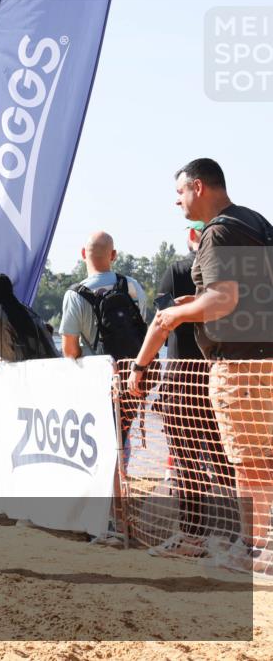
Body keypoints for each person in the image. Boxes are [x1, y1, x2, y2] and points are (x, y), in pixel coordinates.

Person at [130, 158, 273, 573]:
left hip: (242, 364)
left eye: (179, 193)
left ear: (197, 187)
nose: (177, 201)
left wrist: (174, 316)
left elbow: (223, 299)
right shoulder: (255, 222)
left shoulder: (219, 230)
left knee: (250, 461)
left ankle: (252, 550)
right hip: (264, 357)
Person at [128, 222, 238, 558]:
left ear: (192, 237)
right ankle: (247, 537)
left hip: (184, 381)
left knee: (189, 466)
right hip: (228, 375)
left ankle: (193, 538)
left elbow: (161, 325)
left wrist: (140, 366)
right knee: (233, 462)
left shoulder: (177, 271)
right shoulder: (240, 271)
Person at [60, 231, 148, 360]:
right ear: (113, 255)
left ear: (83, 253)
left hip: (97, 375)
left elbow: (70, 351)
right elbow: (142, 329)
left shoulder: (74, 295)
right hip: (132, 373)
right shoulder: (133, 286)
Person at [0, 274, 58, 362]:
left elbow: (9, 356)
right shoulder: (25, 310)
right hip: (52, 365)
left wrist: (3, 359)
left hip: (34, 370)